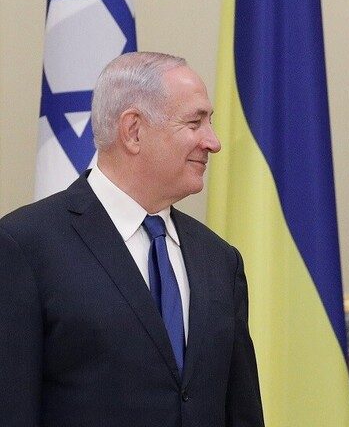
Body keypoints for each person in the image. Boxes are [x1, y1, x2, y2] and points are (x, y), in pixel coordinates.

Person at [0, 52, 264, 427]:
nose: (213, 142)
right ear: (134, 131)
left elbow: (241, 412)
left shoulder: (219, 260)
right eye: (195, 123)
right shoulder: (24, 247)